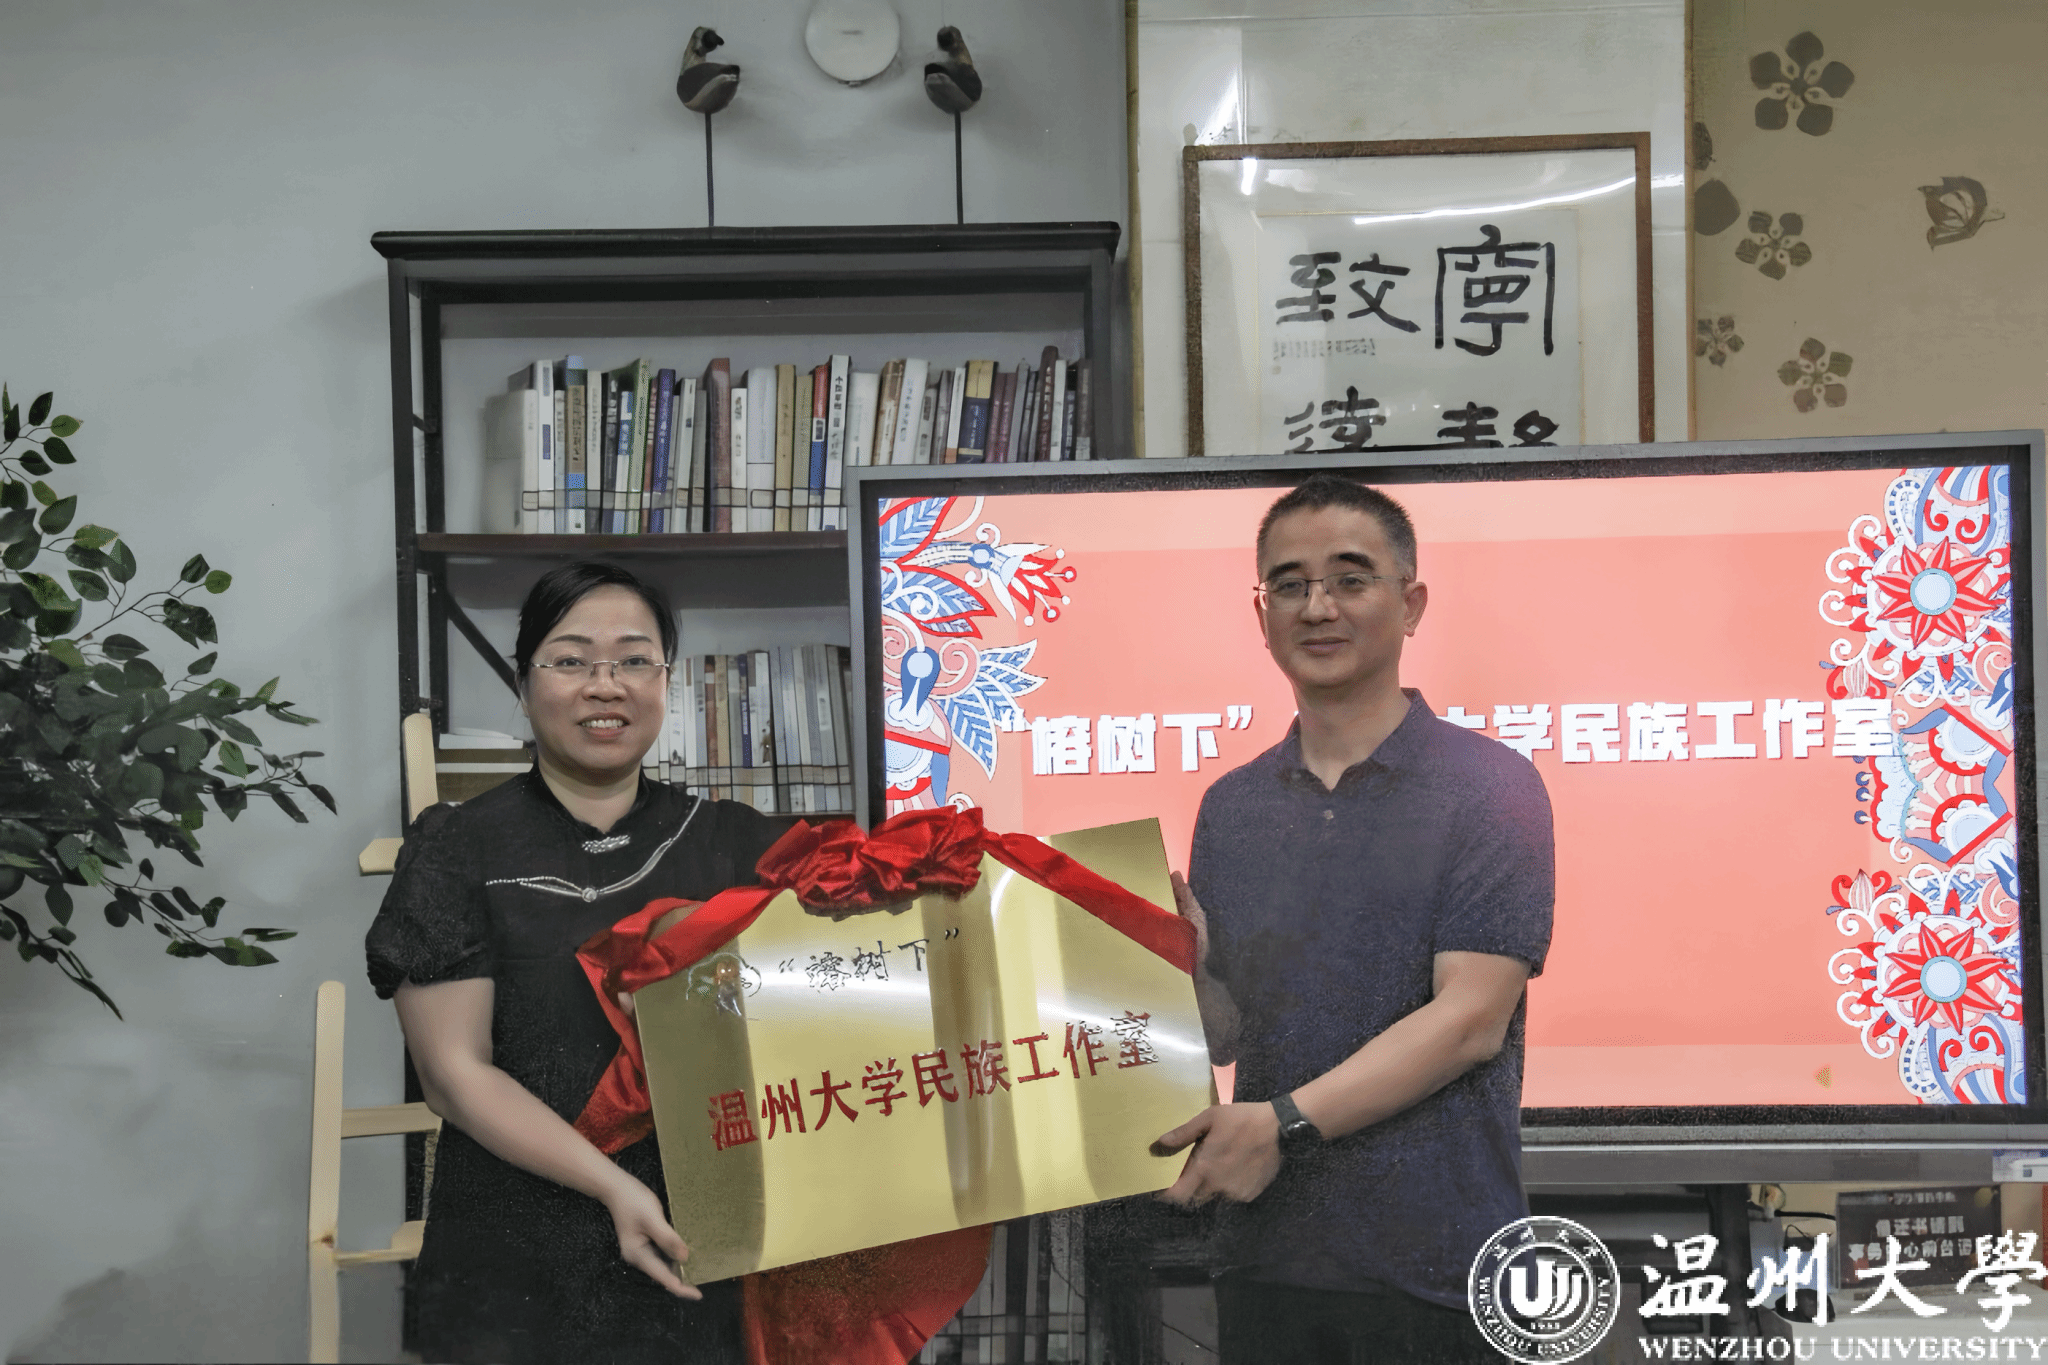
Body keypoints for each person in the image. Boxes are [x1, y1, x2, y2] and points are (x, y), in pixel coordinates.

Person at [1154, 474, 1555, 1364]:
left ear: (1411, 603)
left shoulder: (1491, 787)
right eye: (1289, 584)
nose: (1317, 607)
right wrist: (1189, 967)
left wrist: (1281, 1124)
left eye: (1349, 578)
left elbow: (1470, 1020)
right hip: (1268, 1260)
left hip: (1441, 1267)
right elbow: (1227, 1034)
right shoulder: (1233, 806)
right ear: (1261, 613)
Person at [365, 561, 783, 1365]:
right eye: (570, 659)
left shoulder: (736, 843)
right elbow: (454, 1075)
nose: (605, 684)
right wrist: (612, 1185)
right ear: (523, 686)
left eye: (634, 659)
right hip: (516, 1259)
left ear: (665, 682)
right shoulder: (457, 848)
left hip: (700, 1252)